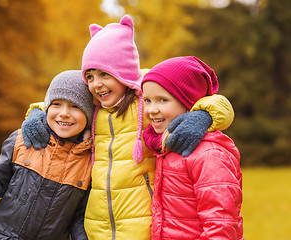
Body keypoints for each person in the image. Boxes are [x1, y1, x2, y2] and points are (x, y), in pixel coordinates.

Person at [21, 15, 235, 240]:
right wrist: (37, 113)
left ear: (124, 72)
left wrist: (202, 115)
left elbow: (219, 103)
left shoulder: (146, 98)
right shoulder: (95, 105)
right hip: (97, 228)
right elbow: (61, 102)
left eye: (105, 74)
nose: (97, 83)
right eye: (90, 76)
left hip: (141, 225)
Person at [0, 70, 94, 240]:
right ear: (47, 107)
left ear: (88, 114)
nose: (64, 113)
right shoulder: (22, 140)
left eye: (75, 106)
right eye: (57, 104)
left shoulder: (89, 162)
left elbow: (78, 219)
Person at [142, 56, 243, 239]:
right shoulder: (165, 147)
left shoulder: (209, 154)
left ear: (189, 102)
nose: (151, 110)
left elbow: (220, 223)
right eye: (147, 100)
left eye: (162, 100)